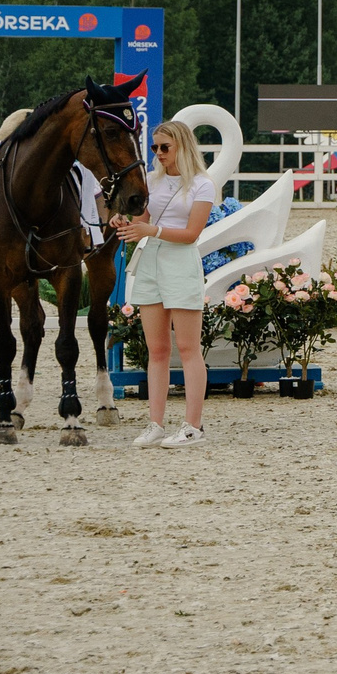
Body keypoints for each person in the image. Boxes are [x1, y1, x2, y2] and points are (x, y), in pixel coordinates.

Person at [111, 120, 215, 448]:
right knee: (156, 350)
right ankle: (155, 423)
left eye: (165, 147)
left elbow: (191, 234)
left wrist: (150, 231)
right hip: (152, 261)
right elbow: (143, 219)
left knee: (187, 347)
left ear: (182, 146)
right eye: (155, 147)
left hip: (181, 262)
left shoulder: (202, 184)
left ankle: (193, 426)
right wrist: (124, 220)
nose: (159, 153)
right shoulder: (152, 182)